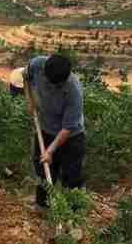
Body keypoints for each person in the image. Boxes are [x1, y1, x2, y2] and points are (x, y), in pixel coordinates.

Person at [23, 54, 86, 210]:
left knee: (71, 177)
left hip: (71, 137)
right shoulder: (38, 64)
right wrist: (29, 99)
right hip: (45, 129)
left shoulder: (73, 91)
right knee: (43, 170)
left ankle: (73, 214)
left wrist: (50, 150)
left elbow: (67, 128)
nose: (52, 88)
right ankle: (42, 206)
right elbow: (25, 76)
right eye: (50, 83)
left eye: (57, 86)